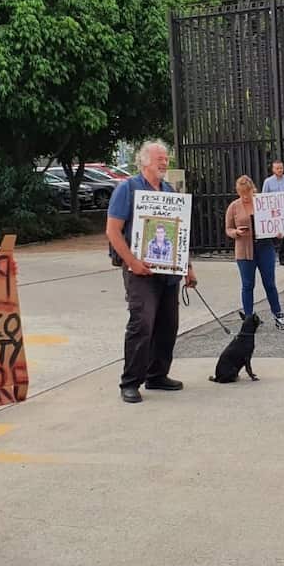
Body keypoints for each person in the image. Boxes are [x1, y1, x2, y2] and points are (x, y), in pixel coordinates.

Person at [105, 140, 198, 404]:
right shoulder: (127, 189)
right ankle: (130, 382)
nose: (165, 162)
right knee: (142, 324)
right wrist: (132, 262)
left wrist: (187, 267)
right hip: (139, 271)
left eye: (166, 158)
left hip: (168, 272)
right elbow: (112, 230)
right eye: (160, 158)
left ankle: (157, 374)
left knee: (168, 325)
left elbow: (180, 232)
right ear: (144, 161)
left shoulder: (169, 190)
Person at [225, 175, 284, 330]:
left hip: (264, 247)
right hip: (244, 250)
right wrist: (235, 232)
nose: (245, 197)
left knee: (270, 283)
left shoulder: (262, 203)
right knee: (247, 285)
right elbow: (228, 229)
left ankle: (278, 314)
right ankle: (249, 318)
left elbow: (275, 220)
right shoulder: (233, 206)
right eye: (241, 193)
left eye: (247, 193)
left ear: (252, 189)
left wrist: (278, 232)